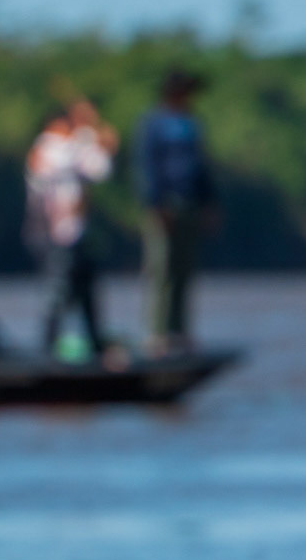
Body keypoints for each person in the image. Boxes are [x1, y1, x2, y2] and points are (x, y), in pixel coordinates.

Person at [25, 98, 118, 362]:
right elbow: (70, 156)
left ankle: (95, 347)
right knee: (56, 295)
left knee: (88, 293)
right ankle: (47, 351)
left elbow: (101, 169)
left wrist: (98, 140)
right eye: (65, 125)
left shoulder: (72, 148)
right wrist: (90, 129)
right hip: (52, 237)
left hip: (77, 237)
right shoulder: (46, 148)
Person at [135, 68, 217, 354]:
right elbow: (149, 167)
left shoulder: (192, 123)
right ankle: (157, 334)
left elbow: (203, 167)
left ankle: (180, 332)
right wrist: (156, 205)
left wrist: (209, 204)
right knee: (161, 270)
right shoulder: (154, 123)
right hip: (164, 206)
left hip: (191, 205)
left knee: (185, 271)